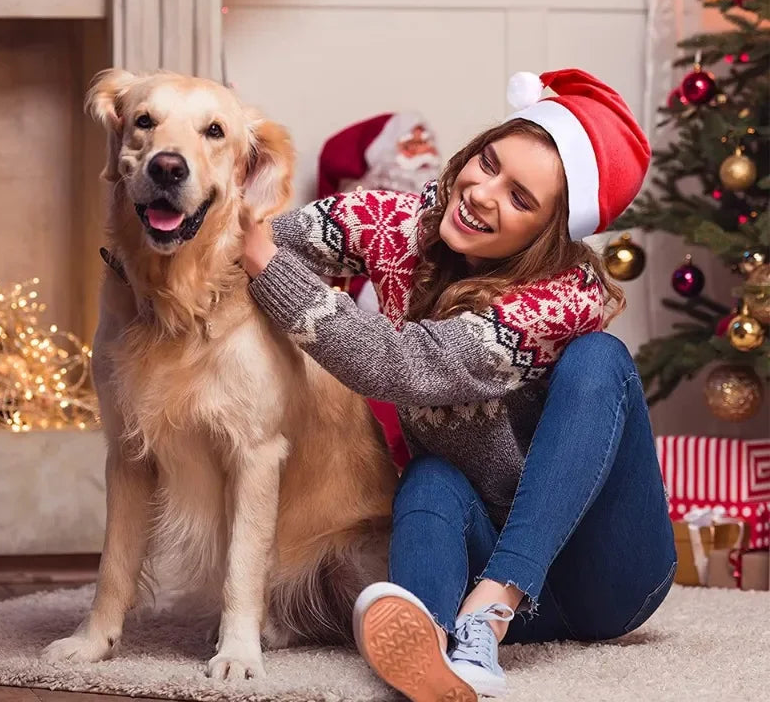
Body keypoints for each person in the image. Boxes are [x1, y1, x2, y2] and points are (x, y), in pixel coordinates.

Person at [239, 69, 677, 702]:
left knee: (599, 360)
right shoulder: (401, 223)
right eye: (488, 162)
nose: (482, 192)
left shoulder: (563, 298)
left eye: (520, 198)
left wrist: (266, 265)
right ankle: (434, 641)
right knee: (430, 476)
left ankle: (491, 608)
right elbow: (264, 242)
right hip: (484, 554)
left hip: (603, 575)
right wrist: (171, 236)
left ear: (549, 233)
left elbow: (398, 365)